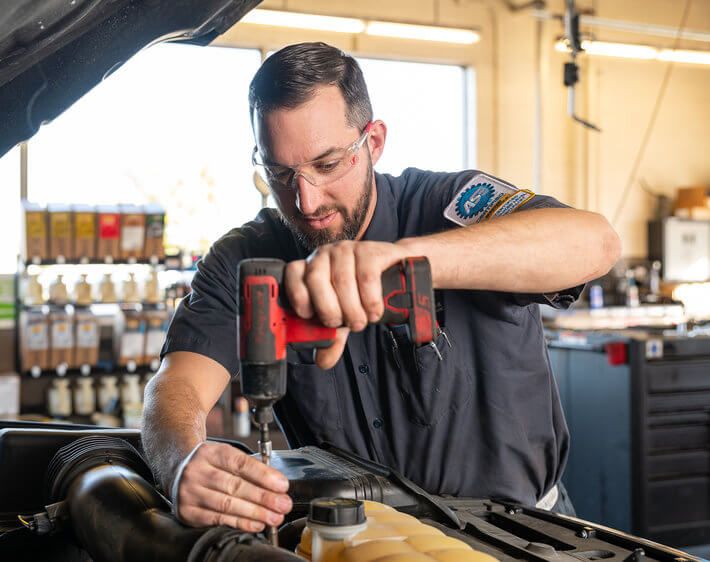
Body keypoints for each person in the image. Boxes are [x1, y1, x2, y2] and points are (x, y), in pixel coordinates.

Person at [142, 42, 621, 533]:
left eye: (327, 165)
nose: (305, 200)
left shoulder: (450, 207)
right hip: (360, 542)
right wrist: (181, 462)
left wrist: (410, 261)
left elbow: (595, 242)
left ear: (373, 141)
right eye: (281, 173)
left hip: (517, 538)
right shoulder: (244, 258)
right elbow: (174, 386)